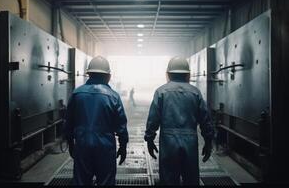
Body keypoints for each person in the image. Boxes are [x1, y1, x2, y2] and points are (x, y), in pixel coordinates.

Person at [144, 56, 214, 185]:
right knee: (191, 179)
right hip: (190, 141)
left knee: (168, 178)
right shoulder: (195, 92)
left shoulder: (161, 92)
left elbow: (153, 118)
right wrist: (208, 140)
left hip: (168, 142)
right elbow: (205, 119)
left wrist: (149, 138)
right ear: (188, 74)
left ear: (168, 74)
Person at [64, 56, 129, 185]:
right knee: (106, 181)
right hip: (105, 147)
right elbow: (121, 125)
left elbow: (68, 122)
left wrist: (71, 142)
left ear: (89, 74)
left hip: (82, 145)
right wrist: (123, 146)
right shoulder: (113, 96)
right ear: (108, 76)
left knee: (81, 181)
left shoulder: (77, 94)